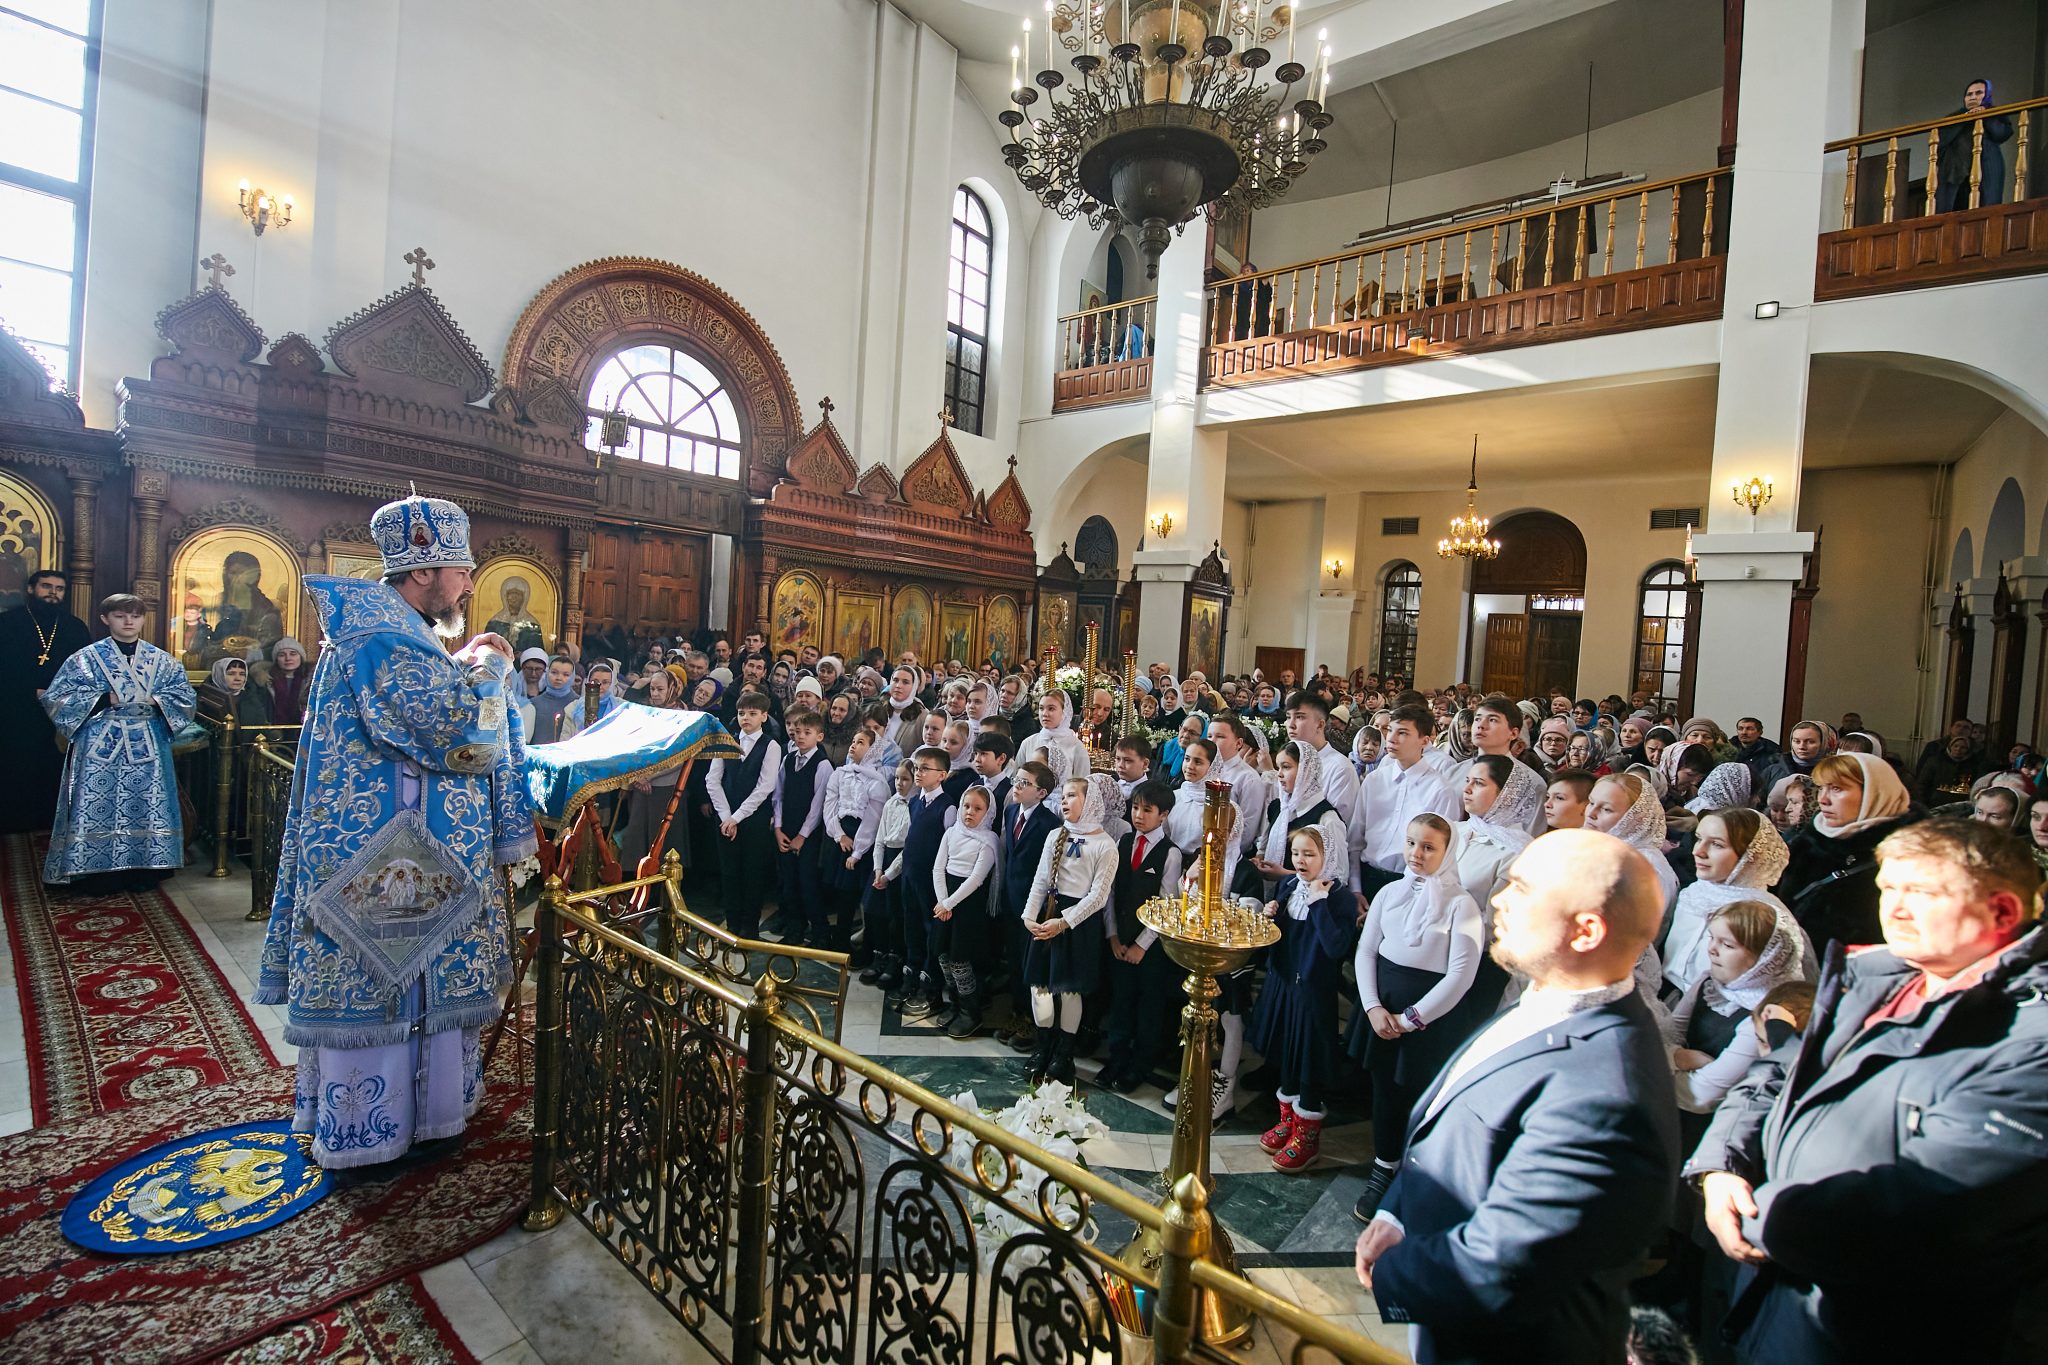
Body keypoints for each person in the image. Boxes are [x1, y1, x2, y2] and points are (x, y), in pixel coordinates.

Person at [1691, 819, 2048, 1362]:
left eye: (1921, 893)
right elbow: (1774, 1074)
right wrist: (1722, 1166)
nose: (1896, 910)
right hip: (1780, 1288)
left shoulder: (2028, 1040)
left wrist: (1755, 1212)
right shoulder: (1877, 978)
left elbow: (1921, 1208)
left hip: (1883, 1326)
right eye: (1889, 890)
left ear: (2002, 912)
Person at [254, 494, 532, 1170]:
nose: (468, 585)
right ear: (423, 571)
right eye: (461, 571)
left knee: (410, 986)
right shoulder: (382, 633)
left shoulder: (390, 628)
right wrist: (492, 663)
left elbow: (425, 707)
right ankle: (375, 1133)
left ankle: (420, 1117)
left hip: (396, 845)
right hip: (390, 855)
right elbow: (461, 734)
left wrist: (463, 660)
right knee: (389, 980)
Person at [1355, 829, 1680, 1365]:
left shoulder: (1605, 1100)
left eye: (1522, 889)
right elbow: (1454, 1126)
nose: (1499, 899)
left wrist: (1397, 1270)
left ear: (1586, 930)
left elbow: (1502, 1265)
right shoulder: (1548, 998)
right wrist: (1398, 1214)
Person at [1349, 812, 1483, 1219]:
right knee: (1385, 1092)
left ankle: (1414, 1172)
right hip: (1381, 1009)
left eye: (1428, 847)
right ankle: (1383, 1167)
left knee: (1420, 1098)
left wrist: (1409, 1020)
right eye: (1411, 843)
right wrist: (1373, 1007)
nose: (1416, 854)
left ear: (1447, 851)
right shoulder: (1390, 893)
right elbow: (1367, 951)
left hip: (1427, 1020)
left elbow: (1461, 975)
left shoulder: (1463, 906)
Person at [41, 593, 197, 890]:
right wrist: (102, 699)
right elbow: (57, 697)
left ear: (142, 619)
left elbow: (185, 698)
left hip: (147, 744)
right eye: (120, 616)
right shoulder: (84, 659)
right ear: (105, 619)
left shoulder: (162, 660)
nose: (128, 622)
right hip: (99, 745)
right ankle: (96, 873)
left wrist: (158, 699)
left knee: (146, 804)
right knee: (98, 805)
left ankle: (145, 868)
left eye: (135, 616)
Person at [1251, 826, 1353, 1172]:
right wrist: (1271, 915)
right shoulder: (1289, 885)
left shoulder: (1339, 898)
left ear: (1328, 857)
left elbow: (1335, 946)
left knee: (1308, 1056)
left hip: (1313, 988)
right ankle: (1288, 1119)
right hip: (1285, 983)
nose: (1301, 861)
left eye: (1309, 854)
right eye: (1296, 853)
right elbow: (1283, 936)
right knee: (1287, 1051)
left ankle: (1307, 1133)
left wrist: (1319, 903)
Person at [1018, 774, 1119, 1085]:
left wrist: (1064, 922)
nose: (1064, 800)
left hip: (1076, 924)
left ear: (1090, 803)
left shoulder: (1105, 845)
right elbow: (1040, 880)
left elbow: (1099, 896)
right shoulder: (1055, 835)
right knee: (1040, 986)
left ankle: (1064, 1053)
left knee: (1069, 991)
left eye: (1073, 795)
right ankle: (1043, 1045)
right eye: (1063, 795)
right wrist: (1028, 916)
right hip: (1047, 915)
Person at [1780, 752, 1920, 952]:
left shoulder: (1912, 856)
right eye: (1821, 788)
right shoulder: (1807, 844)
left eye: (1837, 789)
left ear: (1874, 793)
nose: (1823, 799)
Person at [1098, 780, 1182, 1093]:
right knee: (1121, 1003)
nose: (1139, 815)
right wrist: (1113, 936)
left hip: (1149, 949)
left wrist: (1141, 946)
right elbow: (1111, 892)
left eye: (1147, 810)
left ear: (1163, 815)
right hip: (1121, 939)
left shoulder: (1169, 854)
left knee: (1147, 1008)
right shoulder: (1122, 843)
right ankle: (1116, 1059)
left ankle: (1139, 1065)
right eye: (1135, 807)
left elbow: (1166, 904)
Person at [0, 568, 90, 833]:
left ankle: (49, 820)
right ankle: (12, 821)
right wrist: (32, 691)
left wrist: (58, 694)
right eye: (46, 586)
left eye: (59, 588)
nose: (53, 593)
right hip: (14, 708)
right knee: (16, 764)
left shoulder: (74, 627)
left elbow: (84, 670)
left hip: (60, 712)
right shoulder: (8, 623)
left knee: (53, 765)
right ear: (31, 589)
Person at [992, 760, 1062, 1054]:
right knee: (1011, 955)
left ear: (1042, 792)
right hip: (1011, 896)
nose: (1016, 787)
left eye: (1024, 783)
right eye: (1016, 780)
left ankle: (1033, 1023)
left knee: (1030, 963)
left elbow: (1047, 870)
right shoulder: (1010, 811)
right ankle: (1017, 1012)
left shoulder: (1049, 824)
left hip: (1033, 904)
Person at [706, 689, 781, 937]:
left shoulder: (770, 746)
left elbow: (765, 787)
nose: (745, 718)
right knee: (729, 873)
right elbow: (712, 780)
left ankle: (750, 928)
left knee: (752, 873)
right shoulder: (726, 740)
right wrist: (726, 816)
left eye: (752, 713)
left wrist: (737, 817)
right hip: (725, 818)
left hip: (754, 820)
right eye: (741, 713)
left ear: (764, 716)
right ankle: (732, 924)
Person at [896, 745, 962, 1018]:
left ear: (942, 774)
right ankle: (910, 975)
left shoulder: (947, 807)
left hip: (931, 880)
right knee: (910, 925)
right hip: (910, 874)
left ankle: (930, 986)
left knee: (929, 930)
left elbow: (949, 848)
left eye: (925, 768)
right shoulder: (915, 801)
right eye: (917, 767)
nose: (918, 772)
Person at [929, 783, 999, 1037]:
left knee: (960, 959)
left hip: (967, 904)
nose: (970, 812)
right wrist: (942, 900)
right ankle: (955, 1003)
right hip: (944, 899)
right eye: (966, 806)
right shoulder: (951, 833)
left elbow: (976, 879)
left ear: (988, 813)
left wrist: (949, 904)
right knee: (943, 956)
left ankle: (971, 1012)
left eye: (978, 809)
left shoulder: (988, 841)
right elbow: (938, 868)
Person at [772, 707, 832, 947]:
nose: (800, 736)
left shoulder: (823, 764)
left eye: (807, 732)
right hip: (786, 830)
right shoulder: (788, 759)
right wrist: (778, 828)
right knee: (789, 883)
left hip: (808, 835)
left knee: (808, 884)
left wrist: (802, 836)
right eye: (797, 732)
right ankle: (795, 928)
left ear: (819, 736)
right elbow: (778, 795)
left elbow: (818, 805)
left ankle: (820, 932)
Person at [863, 758, 917, 991]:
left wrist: (889, 875)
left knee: (896, 916)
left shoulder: (915, 805)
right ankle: (879, 953)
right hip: (883, 862)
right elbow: (880, 839)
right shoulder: (891, 803)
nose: (899, 783)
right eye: (897, 778)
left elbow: (908, 848)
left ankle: (896, 958)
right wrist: (877, 869)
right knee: (875, 911)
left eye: (905, 779)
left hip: (900, 866)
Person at [1936, 78, 2015, 212]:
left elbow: (2001, 134)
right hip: (1955, 173)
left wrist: (1985, 115)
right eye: (1969, 94)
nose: (1973, 97)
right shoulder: (1952, 118)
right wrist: (1964, 119)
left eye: (1978, 93)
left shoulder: (1994, 113)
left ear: (1987, 96)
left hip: (1987, 169)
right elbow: (1939, 142)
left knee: (1987, 210)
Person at [484, 575, 547, 655]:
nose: (513, 598)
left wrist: (523, 655)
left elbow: (537, 653)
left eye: (517, 594)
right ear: (505, 597)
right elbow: (486, 649)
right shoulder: (494, 622)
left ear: (524, 598)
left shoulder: (532, 624)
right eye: (510, 594)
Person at [266, 636, 312, 726]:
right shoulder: (266, 681)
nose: (288, 658)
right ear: (276, 659)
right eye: (282, 655)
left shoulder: (312, 681)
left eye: (293, 654)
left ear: (301, 657)